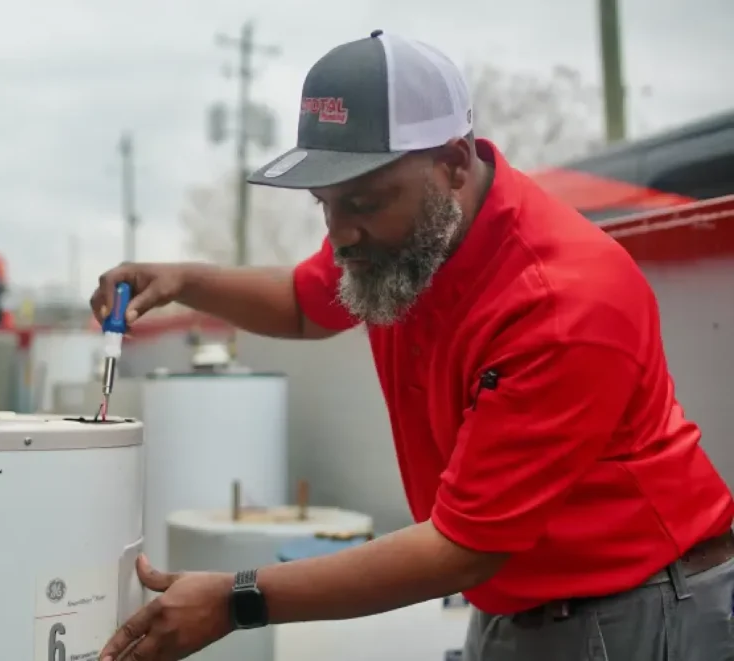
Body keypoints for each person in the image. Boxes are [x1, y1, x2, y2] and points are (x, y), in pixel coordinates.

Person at [92, 30, 734, 661]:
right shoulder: (408, 246)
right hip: (516, 601)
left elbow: (463, 545)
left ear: (453, 163)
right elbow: (301, 303)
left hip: (639, 608)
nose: (340, 234)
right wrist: (182, 280)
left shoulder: (560, 301)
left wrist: (237, 600)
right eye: (325, 204)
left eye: (363, 202)